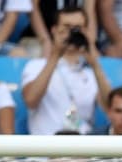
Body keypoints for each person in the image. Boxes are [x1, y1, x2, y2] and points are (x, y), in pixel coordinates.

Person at [21, 3, 113, 135]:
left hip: (81, 144)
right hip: (46, 143)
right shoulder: (36, 66)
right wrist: (55, 56)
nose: (72, 33)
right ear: (54, 30)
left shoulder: (92, 72)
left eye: (78, 28)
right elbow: (31, 101)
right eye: (67, 28)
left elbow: (110, 108)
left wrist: (94, 63)